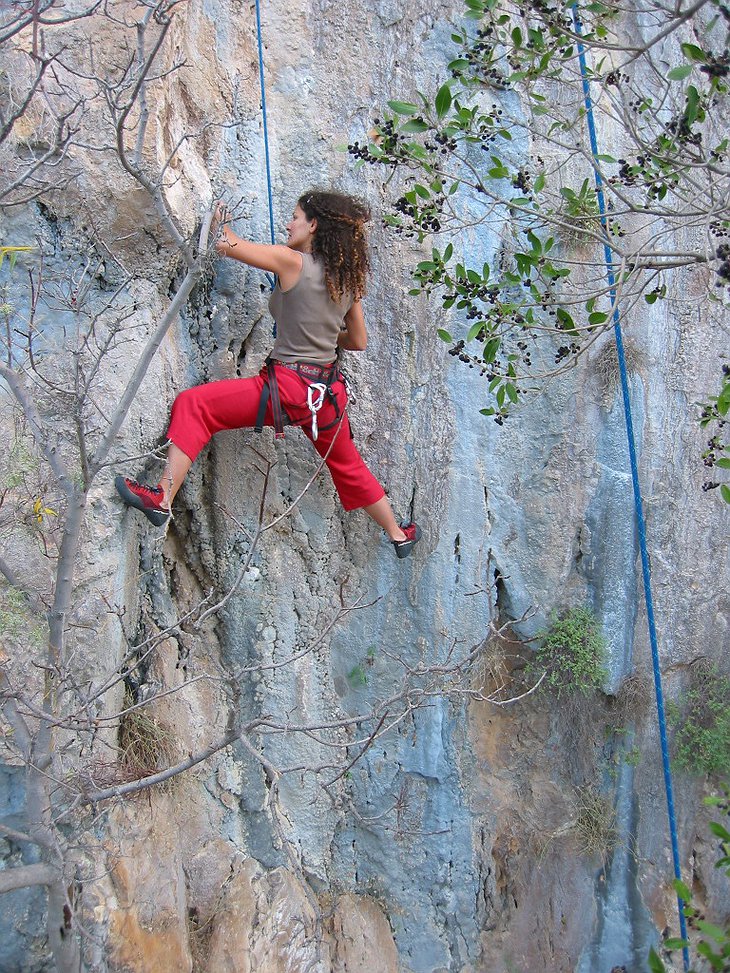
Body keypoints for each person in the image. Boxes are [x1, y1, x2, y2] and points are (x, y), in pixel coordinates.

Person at [115, 190, 421, 558]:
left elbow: (225, 244)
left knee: (195, 404)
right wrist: (322, 333)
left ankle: (161, 497)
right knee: (348, 464)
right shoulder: (346, 281)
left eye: (295, 217)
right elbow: (356, 340)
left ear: (314, 224)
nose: (289, 223)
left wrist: (221, 215)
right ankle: (397, 533)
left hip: (289, 388)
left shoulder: (291, 261)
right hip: (326, 395)